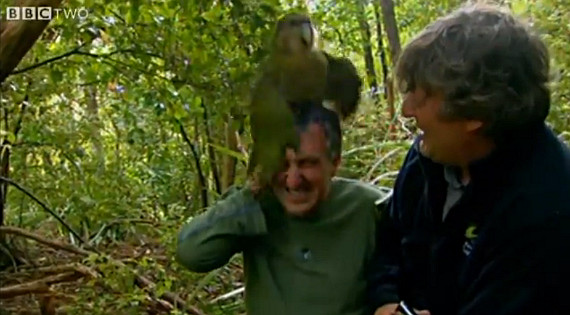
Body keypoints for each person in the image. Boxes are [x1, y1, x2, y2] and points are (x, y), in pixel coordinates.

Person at [367, 3, 570, 315]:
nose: (407, 109)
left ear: (474, 115)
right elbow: (391, 242)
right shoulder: (431, 155)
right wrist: (386, 303)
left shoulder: (546, 208)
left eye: (423, 95)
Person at [176, 103, 387, 315]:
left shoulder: (370, 208)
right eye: (281, 163)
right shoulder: (256, 207)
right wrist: (254, 192)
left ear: (334, 163)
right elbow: (191, 252)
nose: (294, 180)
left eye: (307, 163)